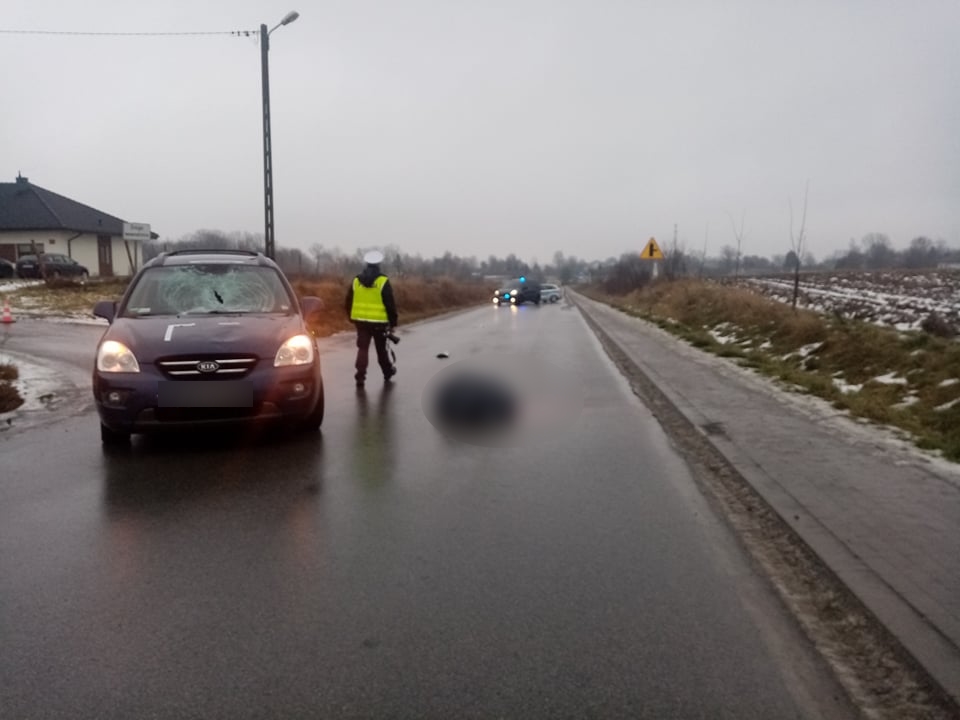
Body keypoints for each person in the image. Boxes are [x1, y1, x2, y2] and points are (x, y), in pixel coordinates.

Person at [345, 250, 398, 388]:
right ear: (379, 264)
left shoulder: (356, 280)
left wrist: (351, 317)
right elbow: (389, 303)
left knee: (362, 349)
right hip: (379, 322)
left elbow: (348, 301)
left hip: (361, 322)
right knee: (381, 350)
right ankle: (387, 372)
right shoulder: (383, 281)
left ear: (366, 264)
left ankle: (360, 377)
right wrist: (393, 322)